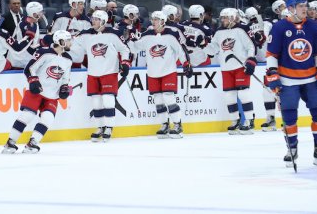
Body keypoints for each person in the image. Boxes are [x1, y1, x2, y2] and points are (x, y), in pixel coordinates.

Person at [266, 0, 317, 167]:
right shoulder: (279, 28)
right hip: (288, 79)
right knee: (289, 115)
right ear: (290, 9)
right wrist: (273, 75)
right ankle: (292, 149)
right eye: (300, 6)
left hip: (311, 78)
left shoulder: (313, 26)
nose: (305, 9)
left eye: (305, 5)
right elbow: (271, 54)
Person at [2, 30, 73, 153]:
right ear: (61, 42)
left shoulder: (68, 59)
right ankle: (10, 142)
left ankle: (32, 143)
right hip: (37, 92)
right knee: (27, 115)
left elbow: (65, 77)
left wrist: (64, 87)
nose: (71, 43)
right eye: (68, 40)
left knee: (48, 118)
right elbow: (29, 68)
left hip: (52, 95)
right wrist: (33, 81)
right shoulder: (44, 52)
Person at [70, 10, 131, 142]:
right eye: (93, 19)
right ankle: (100, 127)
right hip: (92, 73)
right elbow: (73, 47)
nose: (93, 21)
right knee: (96, 102)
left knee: (108, 99)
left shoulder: (113, 34)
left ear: (103, 21)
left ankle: (109, 127)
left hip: (109, 72)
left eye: (97, 19)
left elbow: (124, 49)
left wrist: (125, 63)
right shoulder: (85, 34)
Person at [127, 11, 189, 139]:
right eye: (152, 19)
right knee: (158, 100)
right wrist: (129, 39)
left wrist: (186, 64)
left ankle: (177, 124)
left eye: (156, 19)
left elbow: (180, 50)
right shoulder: (147, 35)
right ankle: (164, 125)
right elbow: (135, 48)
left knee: (168, 98)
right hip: (153, 73)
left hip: (168, 71)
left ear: (162, 21)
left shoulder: (172, 34)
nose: (153, 21)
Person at [202, 8, 257, 135]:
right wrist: (203, 45)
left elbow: (251, 46)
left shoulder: (242, 29)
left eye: (225, 17)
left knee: (243, 93)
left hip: (240, 66)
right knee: (229, 96)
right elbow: (213, 49)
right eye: (222, 18)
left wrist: (251, 60)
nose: (223, 20)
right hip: (226, 68)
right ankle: (235, 120)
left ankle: (249, 120)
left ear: (232, 18)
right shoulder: (219, 31)